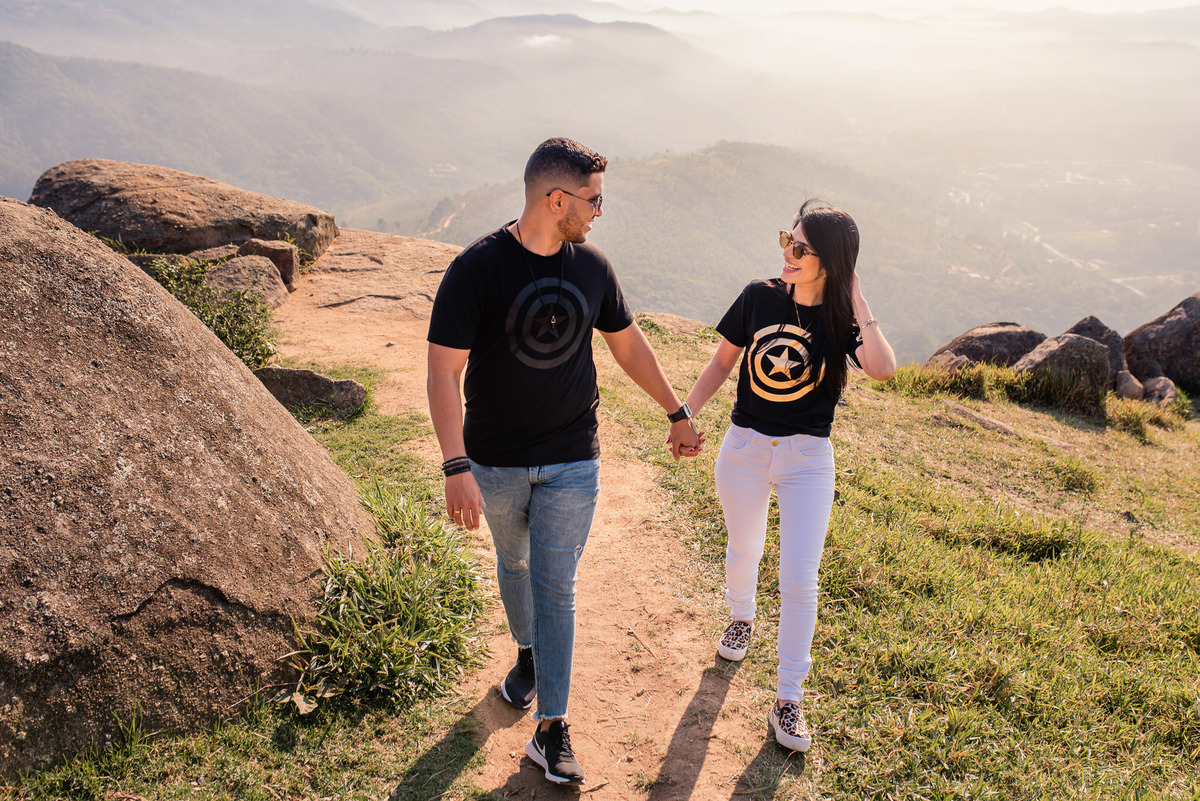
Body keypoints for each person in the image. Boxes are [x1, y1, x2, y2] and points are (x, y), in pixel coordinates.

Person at [426, 137, 701, 786]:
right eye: (593, 200)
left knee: (555, 583)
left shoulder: (593, 268)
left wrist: (676, 409)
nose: (599, 212)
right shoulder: (476, 270)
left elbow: (629, 347)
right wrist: (454, 464)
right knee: (513, 564)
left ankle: (551, 728)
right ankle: (526, 657)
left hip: (573, 459)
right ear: (557, 200)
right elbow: (443, 373)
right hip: (492, 463)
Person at [678, 199, 896, 753]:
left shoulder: (839, 320)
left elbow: (883, 368)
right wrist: (687, 414)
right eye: (786, 240)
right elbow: (722, 362)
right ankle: (742, 618)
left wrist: (858, 299)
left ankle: (788, 699)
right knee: (745, 546)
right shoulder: (758, 297)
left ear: (831, 262)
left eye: (800, 248)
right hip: (745, 445)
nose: (787, 253)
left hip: (807, 459)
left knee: (800, 579)